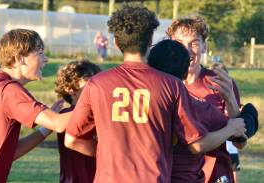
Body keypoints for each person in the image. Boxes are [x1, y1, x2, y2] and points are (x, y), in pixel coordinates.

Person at [64, 6, 246, 182]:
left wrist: (109, 157)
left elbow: (72, 140)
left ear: (115, 42)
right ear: (151, 41)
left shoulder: (97, 84)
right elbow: (198, 143)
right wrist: (235, 124)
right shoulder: (171, 85)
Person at [0, 29, 71, 183]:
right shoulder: (8, 90)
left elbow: (8, 153)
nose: (46, 59)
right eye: (40, 53)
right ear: (20, 58)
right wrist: (100, 102)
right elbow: (59, 123)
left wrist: (46, 129)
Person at [148, 39, 258, 183]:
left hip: (149, 175)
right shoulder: (196, 107)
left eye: (193, 43)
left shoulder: (139, 101)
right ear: (185, 71)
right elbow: (240, 133)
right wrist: (248, 114)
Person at [166, 15, 245, 183]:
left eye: (194, 43)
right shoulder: (162, 83)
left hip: (215, 173)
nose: (187, 50)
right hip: (174, 174)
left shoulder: (219, 82)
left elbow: (239, 143)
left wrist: (230, 99)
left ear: (204, 46)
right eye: (180, 43)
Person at [54, 60, 101, 183]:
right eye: (89, 81)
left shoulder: (99, 114)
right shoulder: (64, 116)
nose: (96, 86)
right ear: (70, 89)